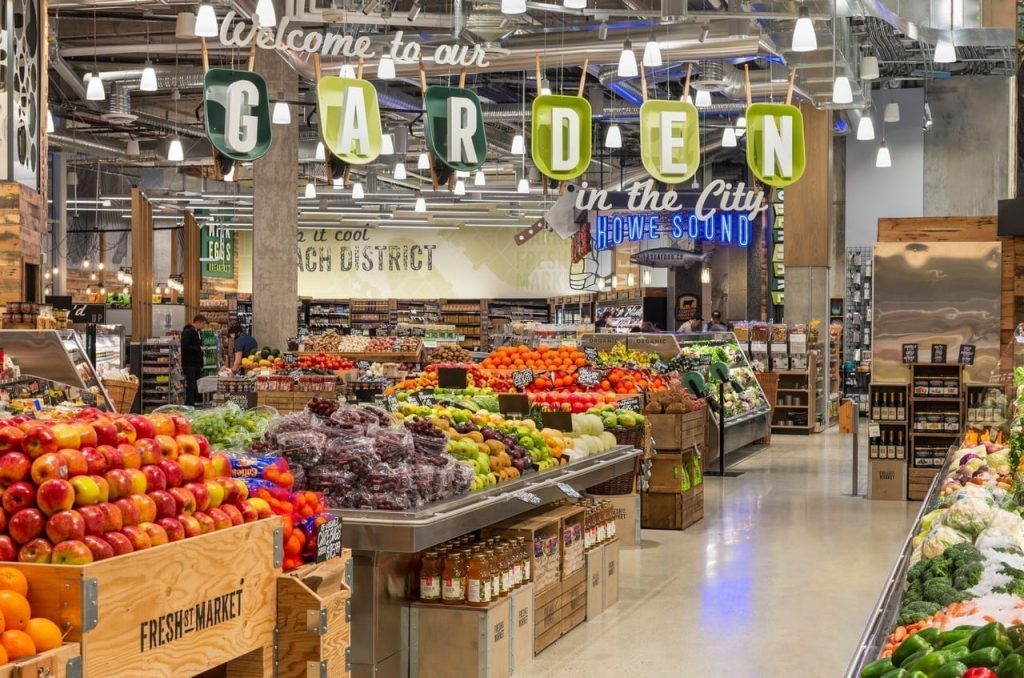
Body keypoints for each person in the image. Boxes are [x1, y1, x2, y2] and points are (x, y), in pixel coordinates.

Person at [181, 314, 207, 407]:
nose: (204, 326)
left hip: (195, 364)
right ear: (198, 322)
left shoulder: (197, 332)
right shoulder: (188, 332)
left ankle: (195, 402)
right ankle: (189, 404)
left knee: (196, 384)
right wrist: (199, 349)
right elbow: (185, 346)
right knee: (191, 385)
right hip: (189, 364)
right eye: (203, 324)